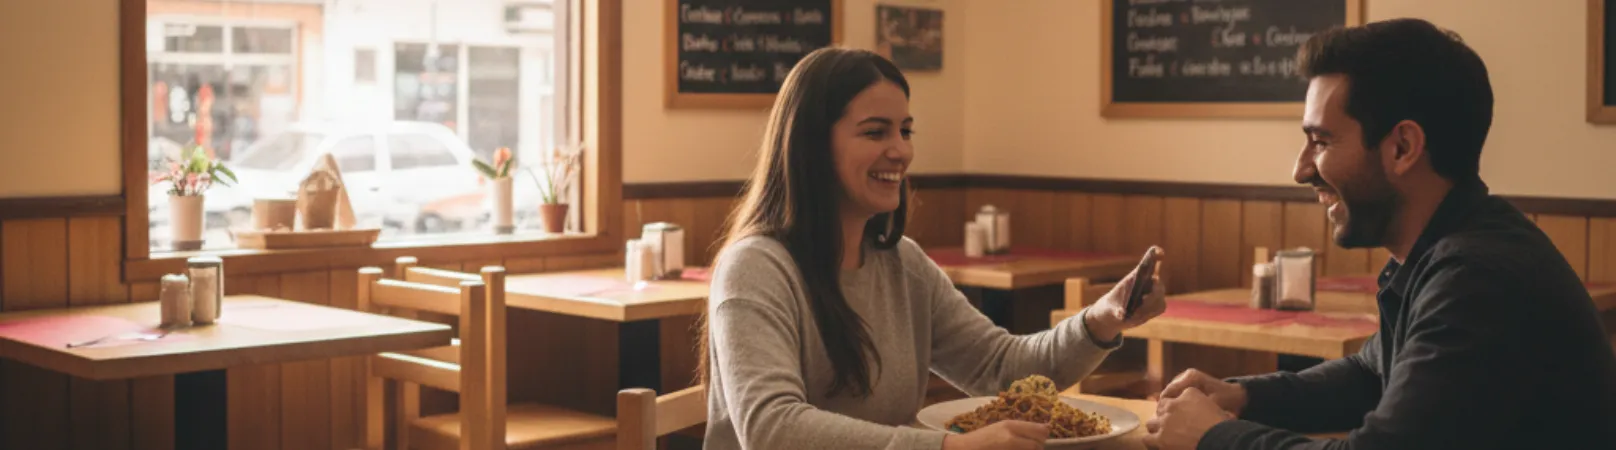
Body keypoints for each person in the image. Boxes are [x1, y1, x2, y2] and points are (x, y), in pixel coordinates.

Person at [1144, 18, 1616, 450]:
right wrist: (1243, 396)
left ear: (1403, 147)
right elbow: (1374, 374)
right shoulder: (1449, 249)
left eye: (1322, 141)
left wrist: (1214, 437)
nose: (1300, 169)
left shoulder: (1477, 278)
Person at [701, 47, 1168, 450]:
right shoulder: (756, 267)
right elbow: (771, 429)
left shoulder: (903, 263)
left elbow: (1001, 368)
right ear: (811, 147)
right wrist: (947, 445)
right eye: (875, 131)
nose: (900, 151)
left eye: (905, 130)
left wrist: (1101, 321)